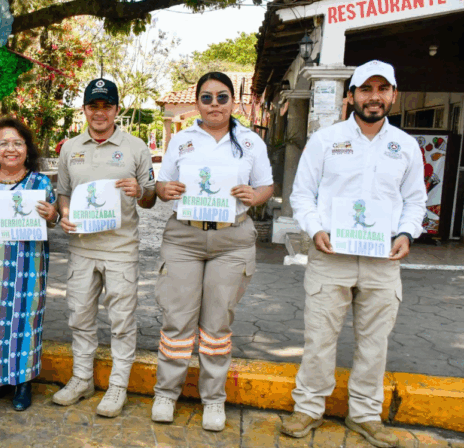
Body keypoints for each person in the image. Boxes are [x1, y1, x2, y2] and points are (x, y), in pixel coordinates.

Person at [281, 61, 426, 448]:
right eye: (366, 89)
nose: (374, 97)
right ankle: (308, 408)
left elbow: (415, 200)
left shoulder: (405, 146)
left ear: (393, 95)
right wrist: (316, 229)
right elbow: (302, 194)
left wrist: (406, 233)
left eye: (383, 89)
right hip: (332, 256)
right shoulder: (326, 140)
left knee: (375, 343)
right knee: (319, 338)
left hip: (383, 260)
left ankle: (364, 415)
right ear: (351, 96)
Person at [151, 72, 274, 431]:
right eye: (206, 98)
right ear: (197, 103)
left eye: (222, 97)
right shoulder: (182, 140)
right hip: (184, 238)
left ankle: (213, 399)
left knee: (217, 324)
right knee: (177, 320)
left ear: (233, 102)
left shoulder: (250, 142)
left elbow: (265, 185)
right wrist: (165, 190)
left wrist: (255, 196)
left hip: (231, 240)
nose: (214, 104)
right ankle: (166, 393)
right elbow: (162, 184)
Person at [53, 78, 157, 417]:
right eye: (93, 106)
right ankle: (82, 378)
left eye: (106, 106)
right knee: (79, 317)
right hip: (81, 248)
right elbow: (63, 192)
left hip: (120, 249)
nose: (100, 112)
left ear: (116, 109)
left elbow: (151, 199)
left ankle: (118, 386)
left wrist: (139, 191)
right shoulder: (70, 148)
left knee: (122, 321)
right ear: (84, 109)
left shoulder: (136, 147)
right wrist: (64, 214)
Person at [0, 117, 58, 411]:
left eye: (18, 143)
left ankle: (23, 382)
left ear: (27, 149)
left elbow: (54, 220)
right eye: (4, 143)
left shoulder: (40, 183)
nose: (11, 149)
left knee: (26, 319)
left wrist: (53, 216)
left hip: (28, 262)